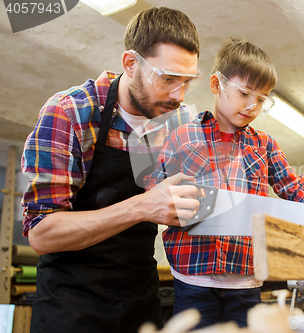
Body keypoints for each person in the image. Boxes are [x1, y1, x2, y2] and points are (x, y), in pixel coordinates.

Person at [146, 37, 304, 329]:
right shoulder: (181, 137)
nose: (252, 105)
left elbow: (297, 190)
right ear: (216, 84)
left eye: (262, 99)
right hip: (193, 280)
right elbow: (153, 196)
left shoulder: (264, 145)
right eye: (244, 93)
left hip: (246, 282)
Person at [21, 7, 204, 333]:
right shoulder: (70, 112)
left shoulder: (179, 120)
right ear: (131, 64)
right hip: (71, 304)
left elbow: (189, 209)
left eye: (187, 81)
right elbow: (41, 233)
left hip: (140, 300)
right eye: (167, 79)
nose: (179, 95)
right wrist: (142, 206)